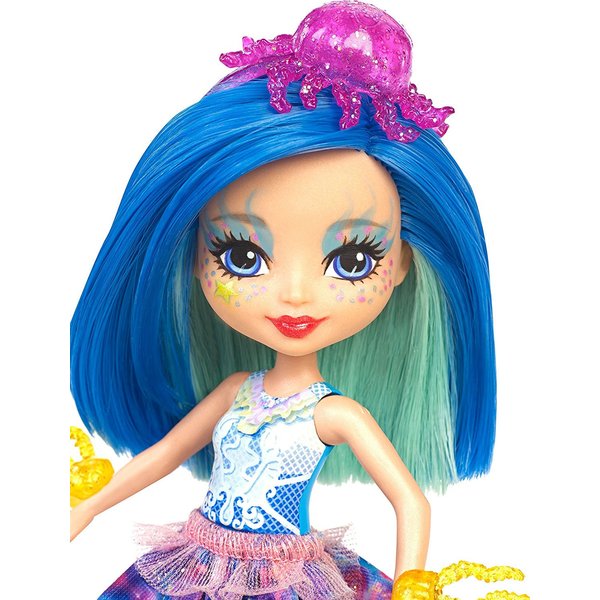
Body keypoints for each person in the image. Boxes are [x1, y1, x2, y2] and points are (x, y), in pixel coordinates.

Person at [70, 2, 496, 598]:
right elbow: (164, 455)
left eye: (352, 261)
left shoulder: (335, 414)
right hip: (198, 563)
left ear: (400, 264)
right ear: (194, 254)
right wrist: (87, 506)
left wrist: (412, 584)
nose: (295, 294)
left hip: (285, 576)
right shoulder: (236, 391)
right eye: (242, 255)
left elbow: (410, 501)